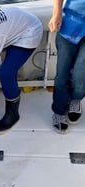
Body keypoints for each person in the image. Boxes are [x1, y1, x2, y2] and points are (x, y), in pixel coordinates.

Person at [48, 0, 85, 134]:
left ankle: (75, 100)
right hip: (71, 22)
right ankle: (59, 109)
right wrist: (56, 13)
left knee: (81, 74)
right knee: (62, 74)